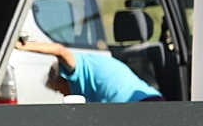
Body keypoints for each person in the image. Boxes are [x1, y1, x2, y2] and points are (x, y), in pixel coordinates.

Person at [14, 39, 164, 102]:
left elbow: (60, 50)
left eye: (60, 91)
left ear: (63, 78)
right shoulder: (90, 64)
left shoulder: (76, 68)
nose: (63, 95)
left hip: (141, 107)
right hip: (153, 101)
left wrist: (22, 45)